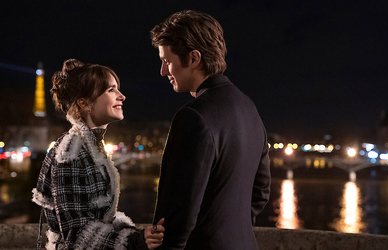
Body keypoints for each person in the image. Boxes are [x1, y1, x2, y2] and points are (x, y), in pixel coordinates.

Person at [150, 10, 271, 250]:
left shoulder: (193, 116)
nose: (163, 71)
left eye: (167, 61)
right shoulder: (249, 107)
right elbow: (261, 191)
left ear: (194, 59)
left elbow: (177, 213)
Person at [32, 59, 164, 250]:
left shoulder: (90, 146)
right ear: (85, 103)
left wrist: (134, 235)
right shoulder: (71, 154)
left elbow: (98, 218)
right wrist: (133, 241)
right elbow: (76, 235)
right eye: (111, 90)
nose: (122, 96)